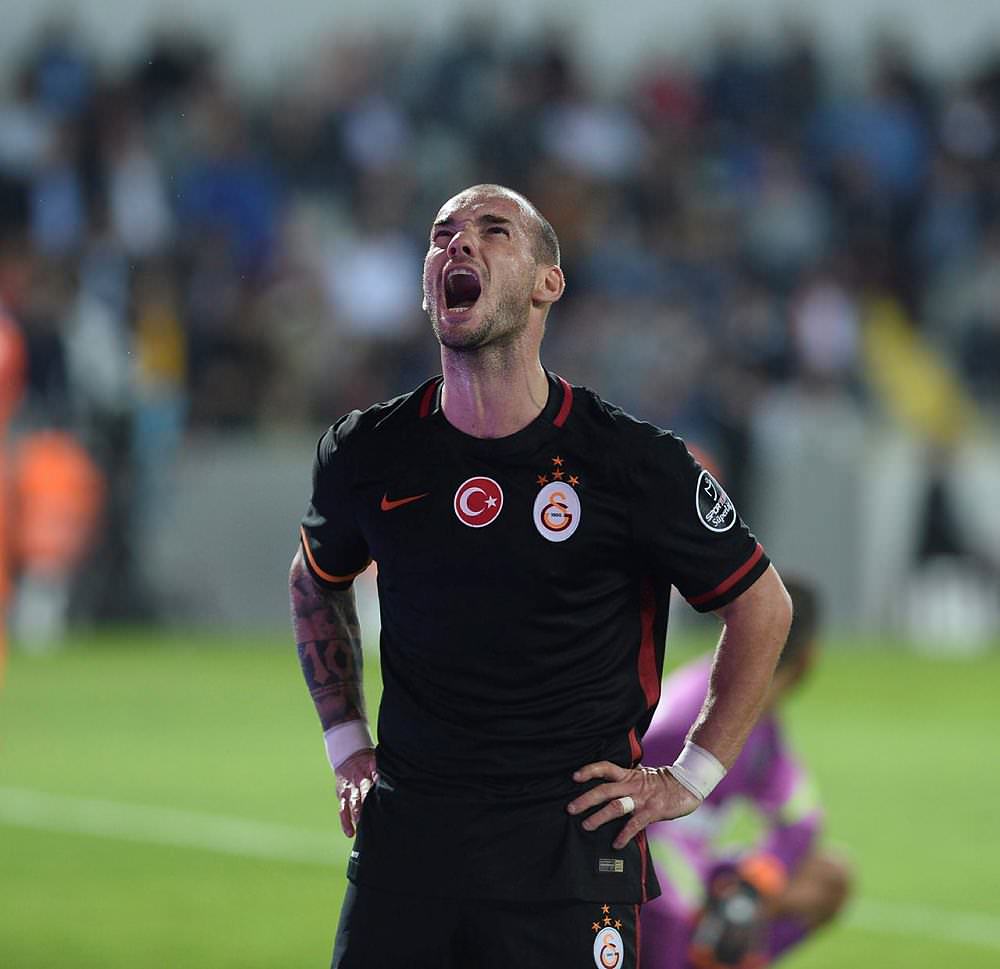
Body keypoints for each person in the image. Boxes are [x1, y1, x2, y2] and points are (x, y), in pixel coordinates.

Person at [289, 184, 793, 968]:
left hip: (568, 858)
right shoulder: (368, 450)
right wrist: (346, 742)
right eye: (441, 234)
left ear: (547, 282)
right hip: (407, 851)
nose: (458, 244)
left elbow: (762, 606)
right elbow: (315, 578)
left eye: (494, 230)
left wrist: (693, 774)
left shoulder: (632, 463)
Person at [640, 578, 852, 969]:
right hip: (646, 871)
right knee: (672, 910)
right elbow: (642, 827)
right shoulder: (687, 711)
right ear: (809, 658)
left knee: (827, 879)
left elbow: (801, 819)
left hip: (697, 867)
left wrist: (753, 885)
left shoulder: (763, 721)